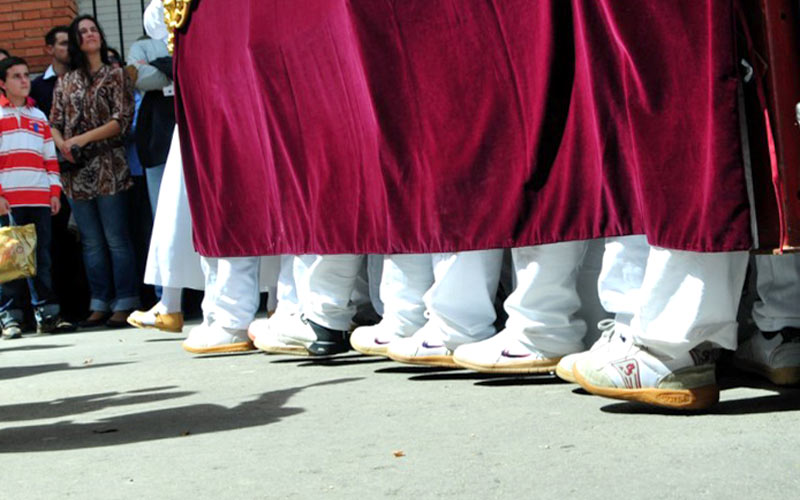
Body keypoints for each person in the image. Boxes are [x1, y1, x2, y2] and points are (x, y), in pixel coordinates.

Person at [49, 15, 138, 329]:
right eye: (82, 32)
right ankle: (99, 302)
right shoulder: (66, 79)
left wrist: (81, 139)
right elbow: (54, 122)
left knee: (116, 239)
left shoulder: (116, 74)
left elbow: (121, 120)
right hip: (76, 172)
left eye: (93, 30)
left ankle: (126, 301)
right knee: (90, 242)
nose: (89, 35)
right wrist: (63, 145)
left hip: (108, 166)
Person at [0, 57, 73, 338]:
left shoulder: (39, 116)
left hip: (39, 199)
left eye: (25, 75)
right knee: (11, 261)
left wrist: (54, 192)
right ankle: (10, 316)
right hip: (10, 200)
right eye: (16, 76)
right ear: (3, 84)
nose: (23, 80)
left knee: (41, 258)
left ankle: (47, 314)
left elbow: (49, 159)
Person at [30, 26, 70, 119]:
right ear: (50, 49)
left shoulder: (85, 78)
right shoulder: (36, 87)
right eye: (64, 44)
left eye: (73, 44)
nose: (70, 48)